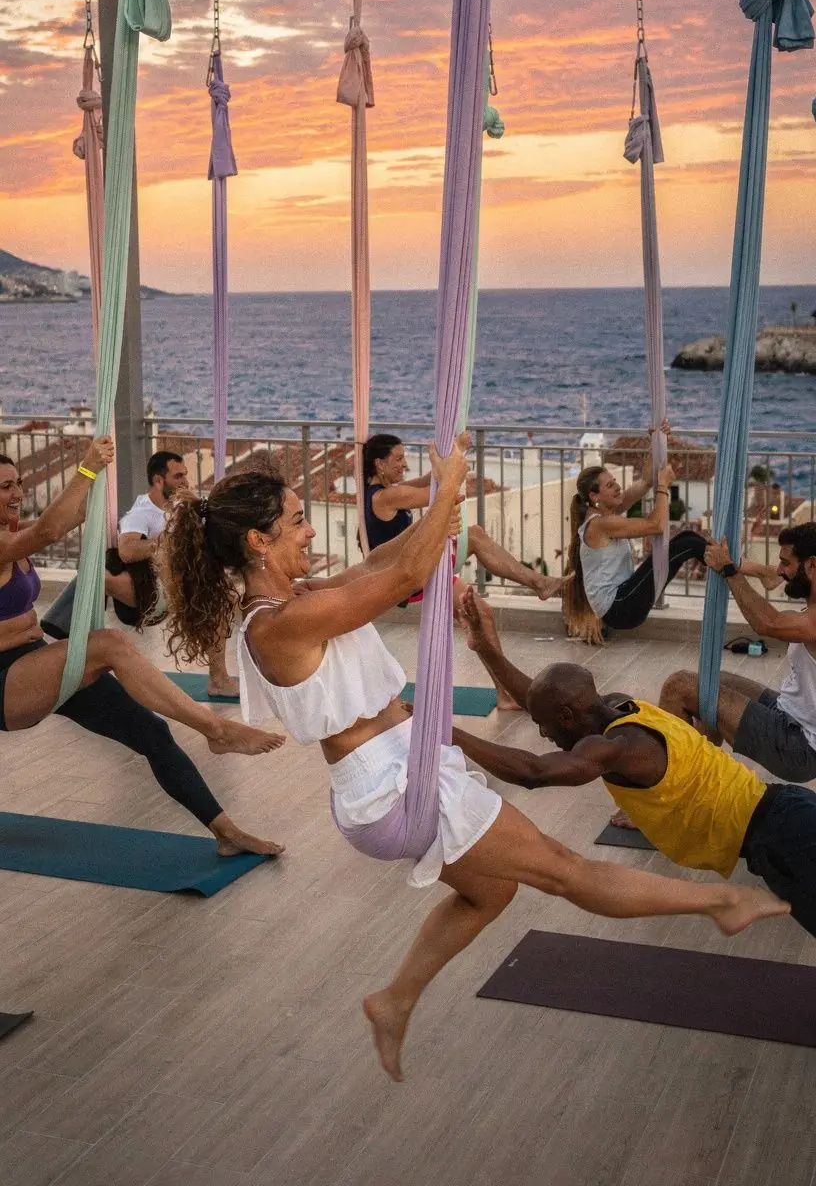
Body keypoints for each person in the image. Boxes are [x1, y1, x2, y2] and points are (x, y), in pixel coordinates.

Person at [162, 442, 786, 1083]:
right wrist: (451, 485)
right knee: (563, 869)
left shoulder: (302, 596)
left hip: (395, 775)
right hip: (391, 787)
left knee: (490, 891)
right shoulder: (280, 622)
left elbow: (387, 560)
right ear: (259, 543)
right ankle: (720, 905)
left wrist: (439, 508)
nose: (311, 527)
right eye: (297, 520)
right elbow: (403, 580)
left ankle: (395, 999)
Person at [443, 601, 809, 935]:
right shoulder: (619, 705)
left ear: (568, 717)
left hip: (779, 837)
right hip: (781, 816)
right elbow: (538, 698)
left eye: (544, 726)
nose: (542, 733)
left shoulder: (615, 748)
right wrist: (487, 649)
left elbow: (533, 773)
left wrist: (448, 733)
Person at [0, 441, 285, 857]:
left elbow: (68, 516)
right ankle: (216, 729)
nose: (17, 492)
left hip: (36, 662)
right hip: (6, 684)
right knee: (111, 643)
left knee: (153, 733)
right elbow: (49, 530)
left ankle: (226, 832)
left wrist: (96, 493)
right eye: (6, 486)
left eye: (18, 483)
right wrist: (87, 469)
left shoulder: (12, 536)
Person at [363, 432, 570, 709]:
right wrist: (450, 454)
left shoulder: (387, 492)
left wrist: (447, 455)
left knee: (481, 614)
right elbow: (443, 492)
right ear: (379, 464)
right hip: (412, 577)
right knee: (474, 536)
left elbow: (432, 481)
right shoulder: (388, 497)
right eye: (398, 459)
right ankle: (539, 583)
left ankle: (505, 693)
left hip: (422, 568)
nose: (404, 465)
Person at [44, 450, 237, 700]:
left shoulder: (183, 506)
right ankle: (62, 639)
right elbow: (127, 550)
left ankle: (218, 680)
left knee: (221, 598)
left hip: (177, 591)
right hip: (147, 597)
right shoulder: (142, 512)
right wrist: (170, 541)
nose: (185, 481)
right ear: (159, 480)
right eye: (178, 476)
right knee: (97, 578)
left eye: (185, 475)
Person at [659, 523, 816, 784]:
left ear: (811, 565)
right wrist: (742, 565)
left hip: (799, 746)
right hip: (788, 711)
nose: (780, 570)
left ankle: (666, 792)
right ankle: (693, 782)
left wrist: (729, 570)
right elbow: (773, 583)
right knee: (710, 683)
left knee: (678, 686)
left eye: (786, 563)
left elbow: (769, 623)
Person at [563, 430, 707, 643]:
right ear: (594, 496)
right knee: (686, 542)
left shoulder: (608, 512)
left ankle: (727, 566)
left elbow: (646, 482)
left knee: (687, 539)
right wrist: (664, 487)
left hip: (623, 599)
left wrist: (657, 440)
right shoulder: (601, 524)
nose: (618, 487)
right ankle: (733, 568)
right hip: (620, 606)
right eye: (610, 485)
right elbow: (656, 525)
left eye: (615, 481)